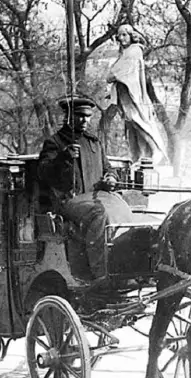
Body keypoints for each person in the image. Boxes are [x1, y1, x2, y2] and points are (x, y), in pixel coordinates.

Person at [37, 95, 133, 285]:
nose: (84, 120)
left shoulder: (94, 143)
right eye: (79, 115)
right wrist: (63, 157)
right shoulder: (55, 142)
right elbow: (43, 173)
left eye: (88, 116)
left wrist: (111, 178)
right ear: (68, 116)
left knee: (124, 209)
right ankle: (101, 274)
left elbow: (108, 168)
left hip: (97, 198)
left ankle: (124, 268)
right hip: (69, 202)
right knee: (100, 214)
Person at [106, 24, 167, 164]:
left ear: (131, 35)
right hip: (124, 94)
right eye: (119, 36)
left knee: (137, 121)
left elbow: (113, 74)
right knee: (132, 126)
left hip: (131, 94)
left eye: (124, 35)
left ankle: (155, 149)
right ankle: (140, 155)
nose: (121, 38)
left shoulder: (133, 51)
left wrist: (113, 75)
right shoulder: (126, 52)